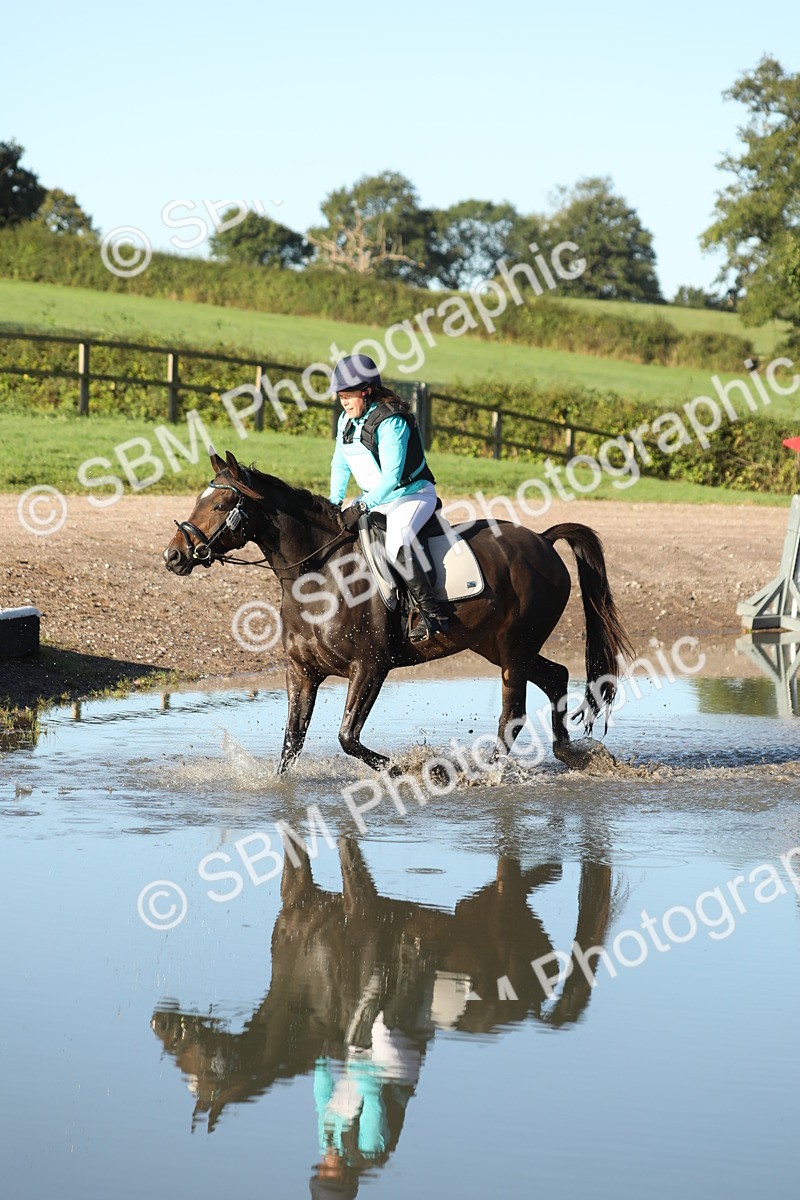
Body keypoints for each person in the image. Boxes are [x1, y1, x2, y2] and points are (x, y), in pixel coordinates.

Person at [329, 353, 450, 642]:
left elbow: (391, 477)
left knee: (396, 542)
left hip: (412, 495)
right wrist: (334, 502)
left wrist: (360, 505)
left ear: (367, 391)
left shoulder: (392, 421)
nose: (344, 402)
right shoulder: (346, 421)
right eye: (341, 396)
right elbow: (340, 464)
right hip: (376, 498)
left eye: (349, 395)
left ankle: (433, 614)